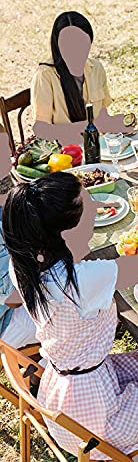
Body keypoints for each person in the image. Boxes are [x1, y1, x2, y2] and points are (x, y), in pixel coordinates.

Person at [2, 171, 138, 461]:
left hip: (63, 394)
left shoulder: (24, 266)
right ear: (65, 232)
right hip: (96, 418)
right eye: (89, 209)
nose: (96, 213)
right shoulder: (83, 281)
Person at [31, 11, 130, 146]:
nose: (75, 50)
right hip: (64, 154)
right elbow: (41, 130)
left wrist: (118, 123)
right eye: (67, 44)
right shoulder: (44, 75)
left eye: (81, 43)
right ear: (57, 46)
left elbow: (102, 117)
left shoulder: (96, 68)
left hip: (96, 146)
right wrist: (90, 126)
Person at [0, 133, 38, 349]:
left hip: (16, 294)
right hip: (7, 321)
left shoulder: (4, 189)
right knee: (90, 307)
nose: (12, 159)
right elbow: (13, 297)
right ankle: (55, 371)